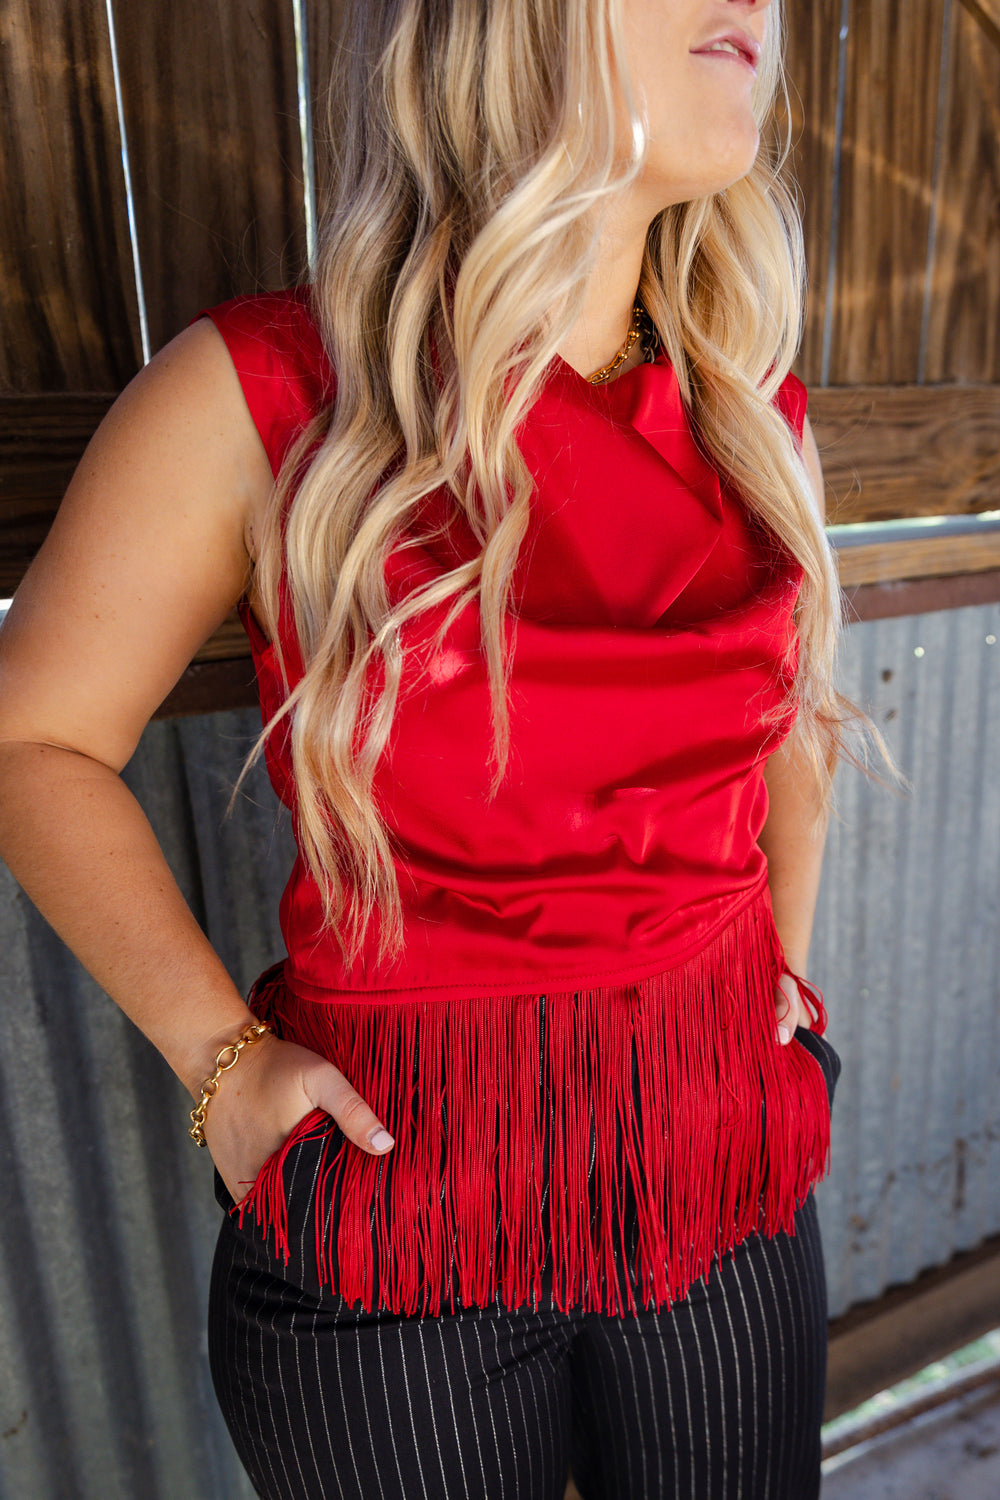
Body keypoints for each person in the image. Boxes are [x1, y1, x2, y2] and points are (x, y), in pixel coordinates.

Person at [0, 0, 856, 1494]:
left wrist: (780, 956)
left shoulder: (752, 400)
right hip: (405, 1198)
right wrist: (226, 1067)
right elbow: (34, 740)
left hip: (723, 1163)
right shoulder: (261, 394)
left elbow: (791, 724)